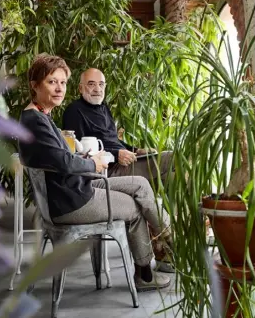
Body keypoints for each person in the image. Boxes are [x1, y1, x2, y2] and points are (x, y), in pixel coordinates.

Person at [18, 53, 172, 290]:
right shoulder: (36, 121)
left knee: (140, 185)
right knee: (135, 205)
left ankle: (167, 240)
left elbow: (62, 159)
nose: (59, 88)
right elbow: (65, 163)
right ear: (35, 85)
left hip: (74, 188)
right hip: (72, 200)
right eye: (51, 82)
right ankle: (150, 270)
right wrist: (94, 164)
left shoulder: (39, 116)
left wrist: (86, 158)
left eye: (62, 82)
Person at [62, 68, 173, 189]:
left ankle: (168, 207)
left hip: (125, 163)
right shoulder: (74, 111)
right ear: (80, 88)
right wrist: (116, 155)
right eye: (91, 84)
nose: (97, 89)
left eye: (101, 84)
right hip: (108, 169)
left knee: (171, 175)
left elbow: (113, 140)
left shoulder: (103, 107)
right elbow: (80, 151)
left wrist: (136, 150)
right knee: (172, 158)